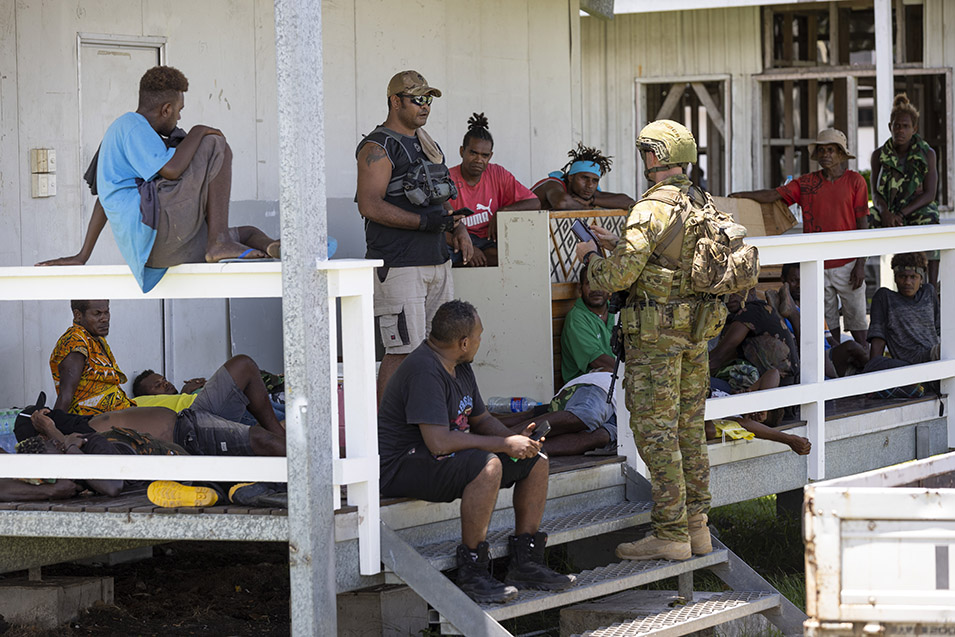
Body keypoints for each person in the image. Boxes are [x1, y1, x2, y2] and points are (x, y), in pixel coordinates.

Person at [574, 119, 716, 562]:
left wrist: (593, 258)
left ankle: (670, 533)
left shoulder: (650, 207)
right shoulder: (701, 202)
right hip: (695, 332)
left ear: (654, 156)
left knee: (656, 431)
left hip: (656, 339)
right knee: (689, 429)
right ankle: (697, 528)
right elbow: (673, 260)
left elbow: (618, 276)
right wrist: (620, 242)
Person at [378, 300, 575, 603]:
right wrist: (502, 445)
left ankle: (526, 563)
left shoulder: (460, 365)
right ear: (464, 342)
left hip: (438, 458)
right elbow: (439, 442)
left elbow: (481, 419)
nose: (482, 341)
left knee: (536, 460)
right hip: (402, 466)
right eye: (480, 336)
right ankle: (472, 570)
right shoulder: (424, 370)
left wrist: (515, 440)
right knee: (490, 465)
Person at [36, 66, 280, 292]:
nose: (179, 119)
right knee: (215, 144)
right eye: (179, 111)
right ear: (166, 109)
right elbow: (172, 170)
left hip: (154, 249)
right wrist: (198, 130)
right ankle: (218, 242)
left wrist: (83, 255)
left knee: (248, 233)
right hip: (155, 231)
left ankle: (270, 247)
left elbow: (105, 199)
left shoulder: (126, 135)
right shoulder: (132, 126)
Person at [355, 70, 472, 400]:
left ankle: (432, 427)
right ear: (395, 101)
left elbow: (441, 198)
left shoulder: (426, 143)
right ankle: (385, 438)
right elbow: (370, 205)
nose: (425, 106)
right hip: (400, 264)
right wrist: (423, 224)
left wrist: (458, 227)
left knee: (445, 348)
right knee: (402, 351)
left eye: (429, 99)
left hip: (437, 261)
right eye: (417, 99)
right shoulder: (377, 147)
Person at [732, 129, 869, 345]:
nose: (825, 154)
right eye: (821, 150)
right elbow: (774, 194)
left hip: (849, 263)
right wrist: (742, 195)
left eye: (831, 150)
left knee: (858, 321)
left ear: (842, 154)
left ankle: (867, 368)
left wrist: (861, 263)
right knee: (827, 320)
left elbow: (863, 223)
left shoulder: (856, 181)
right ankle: (834, 362)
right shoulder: (806, 183)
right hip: (817, 262)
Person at [447, 113, 541, 267]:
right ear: (462, 151)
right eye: (473, 153)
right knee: (441, 255)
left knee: (518, 260)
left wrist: (503, 211)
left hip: (489, 242)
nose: (479, 160)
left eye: (484, 155)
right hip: (457, 241)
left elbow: (534, 202)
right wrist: (469, 248)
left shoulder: (497, 173)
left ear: (490, 156)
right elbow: (435, 227)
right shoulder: (447, 178)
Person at [869, 94, 940, 289]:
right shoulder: (878, 155)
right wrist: (884, 212)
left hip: (913, 211)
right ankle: (858, 271)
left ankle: (932, 286)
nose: (900, 130)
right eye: (897, 125)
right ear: (890, 127)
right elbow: (875, 193)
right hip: (888, 211)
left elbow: (930, 194)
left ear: (914, 129)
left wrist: (901, 214)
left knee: (930, 217)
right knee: (865, 218)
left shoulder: (927, 154)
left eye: (906, 126)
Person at [131, 355, 286, 434]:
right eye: (157, 385)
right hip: (209, 419)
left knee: (286, 412)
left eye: (164, 379)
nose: (165, 383)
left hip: (242, 405)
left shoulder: (185, 392)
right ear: (148, 396)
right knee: (243, 365)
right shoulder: (137, 403)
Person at [50, 300, 135, 415]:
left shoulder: (95, 339)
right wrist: (52, 427)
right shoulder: (75, 341)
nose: (105, 319)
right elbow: (66, 395)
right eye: (97, 313)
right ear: (78, 315)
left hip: (118, 415)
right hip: (96, 423)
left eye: (107, 312)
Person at [708, 289, 800, 387]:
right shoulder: (760, 310)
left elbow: (718, 357)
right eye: (726, 292)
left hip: (777, 386)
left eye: (736, 291)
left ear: (751, 291)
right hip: (780, 385)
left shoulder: (752, 311)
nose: (729, 296)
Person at [866, 251, 939, 375]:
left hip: (934, 357)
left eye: (913, 277)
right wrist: (872, 370)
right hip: (908, 363)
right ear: (895, 277)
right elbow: (878, 339)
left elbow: (940, 329)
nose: (907, 282)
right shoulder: (885, 297)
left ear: (921, 278)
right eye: (902, 276)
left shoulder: (928, 292)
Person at [532, 143, 635, 211]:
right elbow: (562, 203)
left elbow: (629, 202)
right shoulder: (552, 183)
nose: (590, 185)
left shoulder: (587, 192)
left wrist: (593, 201)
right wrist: (587, 207)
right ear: (571, 178)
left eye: (595, 181)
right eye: (584, 178)